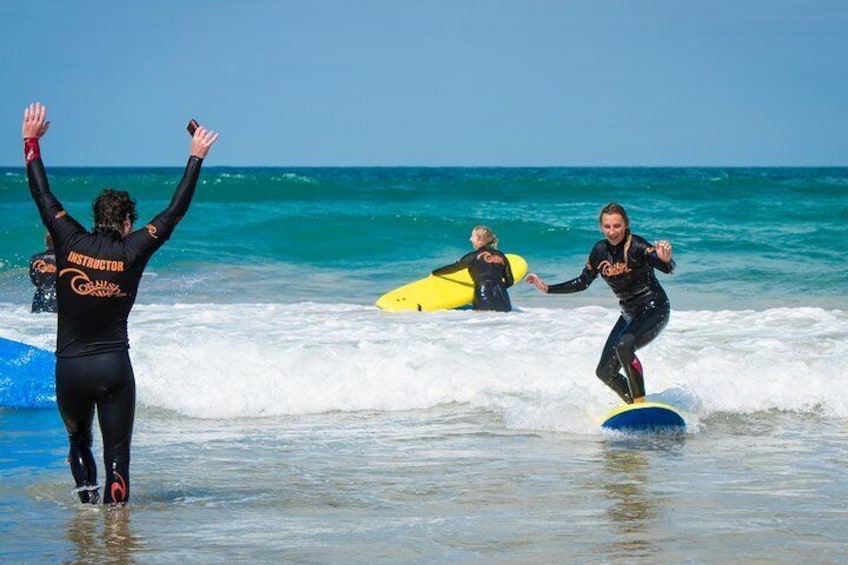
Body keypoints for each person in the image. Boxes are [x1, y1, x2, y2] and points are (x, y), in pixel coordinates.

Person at [22, 102, 219, 504]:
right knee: (118, 456)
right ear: (128, 222)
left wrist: (31, 142)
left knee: (79, 442)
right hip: (113, 367)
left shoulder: (68, 238)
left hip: (70, 369)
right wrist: (195, 157)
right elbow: (175, 211)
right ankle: (116, 532)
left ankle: (86, 510)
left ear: (95, 217)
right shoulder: (134, 249)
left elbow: (42, 194)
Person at [525, 203, 674, 404]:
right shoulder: (599, 251)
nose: (612, 232)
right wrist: (548, 288)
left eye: (617, 226)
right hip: (629, 314)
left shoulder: (636, 245)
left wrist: (665, 259)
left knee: (624, 345)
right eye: (607, 227)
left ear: (626, 225)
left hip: (654, 307)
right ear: (601, 227)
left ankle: (640, 402)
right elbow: (582, 282)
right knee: (604, 372)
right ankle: (635, 409)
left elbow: (665, 267)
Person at [432, 225, 515, 312]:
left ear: (479, 239)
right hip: (504, 301)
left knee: (483, 323)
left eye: (472, 236)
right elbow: (510, 281)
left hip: (484, 300)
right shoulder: (501, 256)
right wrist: (497, 287)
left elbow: (454, 267)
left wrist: (435, 272)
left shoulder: (472, 256)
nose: (470, 239)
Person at [29, 232, 57, 313]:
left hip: (39, 300)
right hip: (59, 301)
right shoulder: (65, 259)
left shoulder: (35, 258)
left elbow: (34, 281)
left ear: (46, 242)